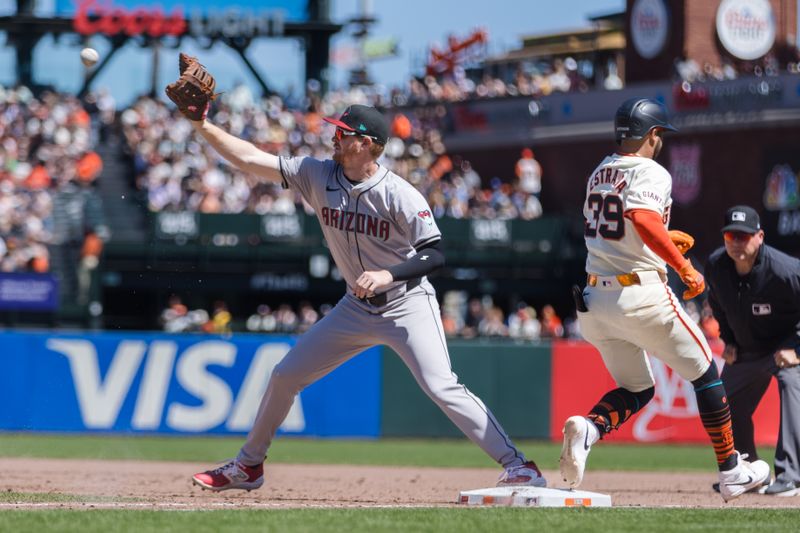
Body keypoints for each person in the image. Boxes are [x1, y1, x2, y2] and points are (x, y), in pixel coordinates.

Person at [168, 62, 545, 492]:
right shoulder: (317, 174)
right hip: (354, 307)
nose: (334, 136)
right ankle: (248, 466)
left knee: (443, 386)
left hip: (407, 305)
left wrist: (388, 274)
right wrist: (200, 124)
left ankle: (520, 466)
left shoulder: (399, 193)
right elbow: (251, 159)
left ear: (366, 144)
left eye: (343, 132)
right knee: (285, 375)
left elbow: (435, 255)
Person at [558, 98, 770, 502]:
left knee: (637, 387)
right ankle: (731, 471)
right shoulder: (651, 170)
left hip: (595, 301)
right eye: (660, 135)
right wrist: (684, 267)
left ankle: (589, 429)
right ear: (652, 135)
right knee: (707, 372)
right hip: (640, 294)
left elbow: (621, 229)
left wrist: (658, 243)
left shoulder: (599, 171)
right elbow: (642, 218)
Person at [705, 205, 800, 497]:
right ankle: (746, 474)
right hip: (747, 348)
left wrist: (797, 348)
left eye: (744, 236)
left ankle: (790, 477)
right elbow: (719, 305)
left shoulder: (785, 270)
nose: (736, 242)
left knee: (792, 384)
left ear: (760, 236)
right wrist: (729, 340)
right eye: (731, 235)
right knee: (724, 399)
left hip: (784, 348)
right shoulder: (717, 266)